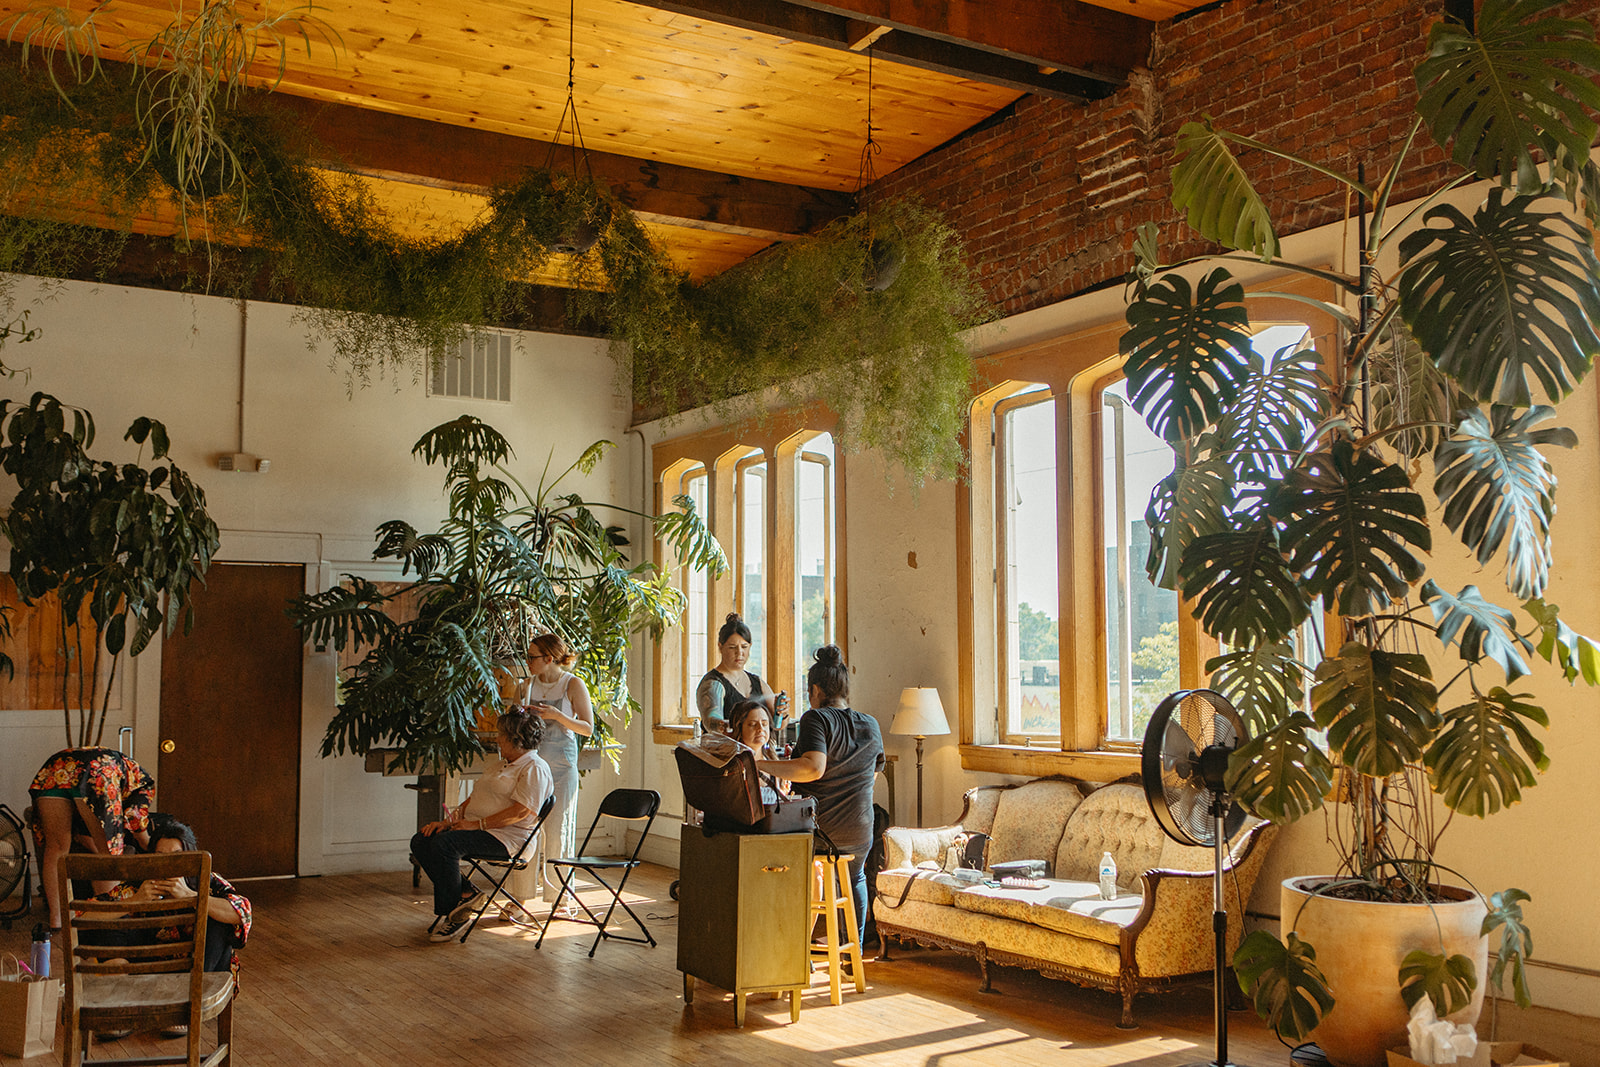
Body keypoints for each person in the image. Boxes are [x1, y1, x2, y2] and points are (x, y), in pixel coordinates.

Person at [82, 814, 251, 1040]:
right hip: (147, 973)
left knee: (217, 921)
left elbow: (243, 912)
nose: (169, 865)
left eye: (177, 858)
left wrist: (192, 896)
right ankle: (121, 1008)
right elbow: (82, 916)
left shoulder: (206, 881)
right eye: (161, 857)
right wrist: (135, 901)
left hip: (200, 974)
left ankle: (186, 1010)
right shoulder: (139, 885)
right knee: (113, 919)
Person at [756, 645, 883, 944]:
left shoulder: (816, 719)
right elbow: (872, 772)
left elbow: (813, 768)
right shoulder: (871, 723)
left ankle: (792, 950)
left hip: (822, 831)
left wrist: (760, 764)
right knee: (856, 878)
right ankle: (854, 954)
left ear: (813, 689)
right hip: (861, 828)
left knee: (771, 860)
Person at [411, 706, 554, 943]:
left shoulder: (534, 768)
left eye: (501, 735)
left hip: (508, 839)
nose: (497, 739)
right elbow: (473, 799)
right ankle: (466, 894)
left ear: (515, 740)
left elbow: (522, 812)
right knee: (422, 840)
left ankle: (455, 915)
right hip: (481, 830)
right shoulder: (501, 764)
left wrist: (476, 825)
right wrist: (447, 823)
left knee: (445, 846)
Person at [28, 747, 156, 930]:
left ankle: (57, 919)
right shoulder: (145, 785)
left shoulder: (122, 768)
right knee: (109, 853)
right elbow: (135, 820)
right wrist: (148, 846)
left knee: (56, 848)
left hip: (56, 768)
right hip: (96, 770)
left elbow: (86, 836)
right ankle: (109, 915)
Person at [516, 632, 593, 865]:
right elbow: (514, 725)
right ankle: (520, 895)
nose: (527, 661)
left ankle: (561, 896)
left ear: (549, 658)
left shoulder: (572, 684)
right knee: (525, 828)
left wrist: (557, 715)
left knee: (560, 827)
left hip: (561, 763)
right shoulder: (525, 686)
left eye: (531, 657)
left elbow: (588, 728)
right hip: (531, 765)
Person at [696, 613, 787, 733]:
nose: (739, 653)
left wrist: (782, 713)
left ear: (750, 646)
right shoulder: (713, 684)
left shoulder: (757, 682)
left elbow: (777, 725)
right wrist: (745, 725)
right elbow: (711, 723)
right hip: (724, 750)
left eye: (744, 647)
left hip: (758, 750)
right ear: (720, 647)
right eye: (732, 647)